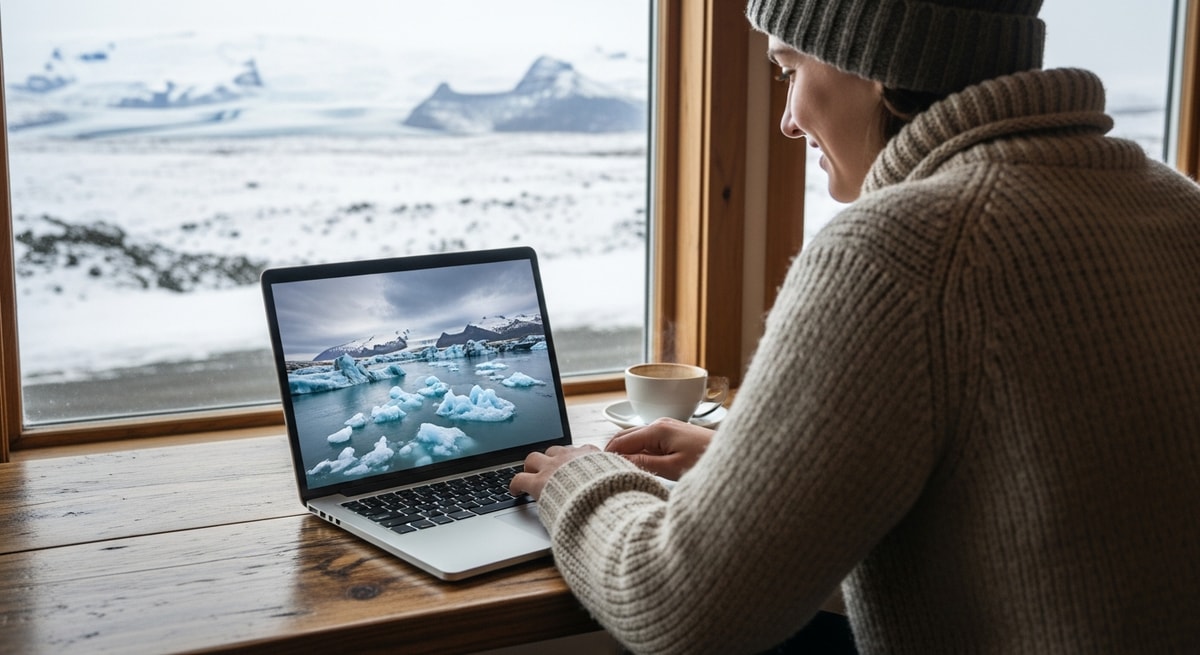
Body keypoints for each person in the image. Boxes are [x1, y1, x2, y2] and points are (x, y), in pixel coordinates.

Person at [510, 0, 1200, 652]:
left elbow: (682, 607)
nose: (785, 118)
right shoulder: (1178, 206)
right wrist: (750, 476)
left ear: (873, 60)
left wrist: (582, 479)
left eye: (790, 70)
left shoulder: (901, 248)